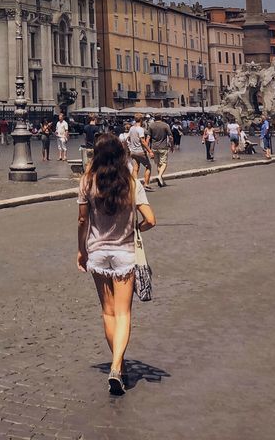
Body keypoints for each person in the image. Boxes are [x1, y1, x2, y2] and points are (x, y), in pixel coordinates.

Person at [77, 133, 156, 397]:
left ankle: (118, 366)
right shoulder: (132, 183)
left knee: (108, 312)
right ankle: (116, 366)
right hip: (124, 253)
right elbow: (151, 220)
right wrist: (136, 228)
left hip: (97, 253)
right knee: (123, 313)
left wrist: (81, 251)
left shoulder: (87, 182)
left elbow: (81, 222)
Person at [145, 115, 172, 188]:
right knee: (164, 163)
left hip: (154, 147)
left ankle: (161, 181)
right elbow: (170, 137)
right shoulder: (165, 125)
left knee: (158, 164)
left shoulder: (151, 125)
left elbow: (148, 137)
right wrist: (172, 146)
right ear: (161, 118)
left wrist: (147, 148)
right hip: (163, 147)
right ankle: (159, 176)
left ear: (154, 118)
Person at [127, 116, 152, 187]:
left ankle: (134, 184)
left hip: (133, 152)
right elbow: (143, 141)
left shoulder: (131, 128)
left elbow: (128, 138)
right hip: (140, 151)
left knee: (135, 168)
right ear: (141, 120)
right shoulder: (140, 129)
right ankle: (146, 184)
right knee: (148, 167)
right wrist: (150, 151)